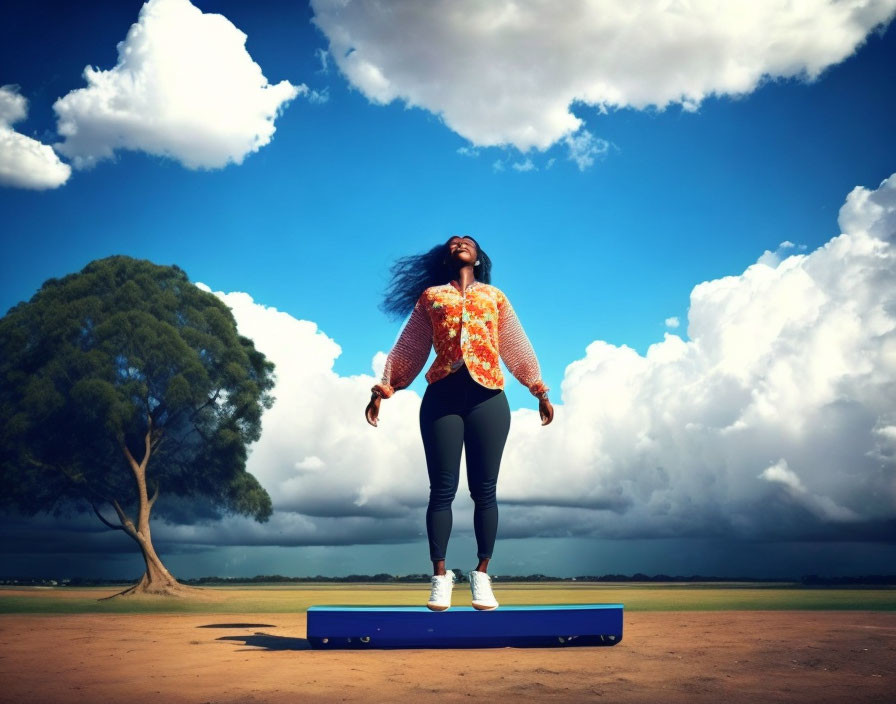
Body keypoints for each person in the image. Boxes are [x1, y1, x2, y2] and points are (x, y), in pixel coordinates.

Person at [365, 234, 553, 611]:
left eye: (467, 242)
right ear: (445, 258)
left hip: (488, 398)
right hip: (442, 397)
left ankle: (481, 576)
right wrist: (384, 388)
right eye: (452, 243)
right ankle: (440, 577)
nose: (459, 244)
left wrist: (538, 390)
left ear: (478, 257)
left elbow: (516, 344)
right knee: (441, 490)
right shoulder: (431, 297)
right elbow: (410, 346)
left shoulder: (494, 297)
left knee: (485, 491)